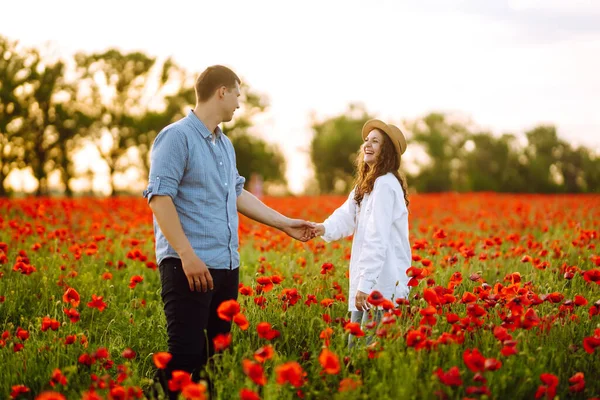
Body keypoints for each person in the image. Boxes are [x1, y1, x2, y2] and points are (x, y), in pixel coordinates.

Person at [142, 65, 314, 398]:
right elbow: (160, 199)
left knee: (213, 360)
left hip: (226, 265)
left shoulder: (224, 145)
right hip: (188, 266)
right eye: (237, 94)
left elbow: (236, 194)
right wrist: (187, 256)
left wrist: (285, 224)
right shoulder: (176, 136)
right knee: (185, 357)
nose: (238, 102)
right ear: (222, 91)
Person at [312, 119, 411, 347]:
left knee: (365, 352)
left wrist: (365, 286)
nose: (367, 144)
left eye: (375, 141)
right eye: (366, 140)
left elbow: (377, 238)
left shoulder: (385, 184)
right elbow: (346, 216)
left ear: (386, 151)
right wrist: (322, 228)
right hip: (369, 285)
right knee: (358, 348)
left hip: (382, 286)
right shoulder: (367, 185)